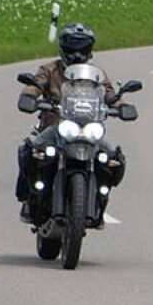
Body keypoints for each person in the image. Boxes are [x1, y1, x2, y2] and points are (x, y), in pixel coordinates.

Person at [16, 23, 125, 220]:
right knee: (30, 150)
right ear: (63, 48)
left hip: (89, 129)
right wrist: (29, 96)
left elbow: (109, 93)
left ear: (89, 50)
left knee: (113, 157)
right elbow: (35, 85)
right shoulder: (49, 69)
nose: (77, 54)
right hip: (56, 127)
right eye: (72, 49)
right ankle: (27, 198)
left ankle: (101, 197)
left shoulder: (96, 74)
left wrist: (122, 105)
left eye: (82, 49)